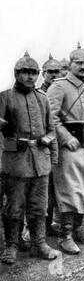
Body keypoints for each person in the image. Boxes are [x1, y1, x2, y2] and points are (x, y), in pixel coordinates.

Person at [0, 51, 60, 265]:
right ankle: (12, 246)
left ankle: (39, 243)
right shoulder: (5, 97)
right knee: (14, 207)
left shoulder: (43, 98)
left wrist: (48, 145)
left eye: (34, 73)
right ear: (16, 73)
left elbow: (52, 130)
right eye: (25, 72)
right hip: (15, 163)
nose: (30, 77)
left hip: (40, 162)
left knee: (39, 207)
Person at [48, 43, 84, 254]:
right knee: (70, 189)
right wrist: (64, 137)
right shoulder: (59, 86)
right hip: (70, 144)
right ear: (70, 64)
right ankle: (65, 236)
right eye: (78, 62)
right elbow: (51, 117)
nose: (83, 67)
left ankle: (79, 228)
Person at [39, 53, 62, 237]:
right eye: (50, 72)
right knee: (43, 192)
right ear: (43, 74)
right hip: (42, 147)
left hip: (59, 146)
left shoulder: (62, 90)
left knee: (55, 190)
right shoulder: (39, 94)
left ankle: (51, 224)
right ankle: (39, 229)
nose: (54, 75)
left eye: (57, 72)